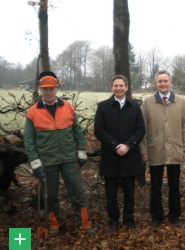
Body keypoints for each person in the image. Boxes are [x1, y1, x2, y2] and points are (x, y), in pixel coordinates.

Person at [25, 71, 94, 235]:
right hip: (47, 161)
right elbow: (29, 141)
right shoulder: (32, 112)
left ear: (57, 89)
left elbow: (77, 132)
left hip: (69, 159)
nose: (48, 92)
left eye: (51, 89)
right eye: (44, 89)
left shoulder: (68, 107)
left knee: (77, 191)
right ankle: (54, 225)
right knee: (51, 196)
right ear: (40, 90)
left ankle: (84, 223)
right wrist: (35, 164)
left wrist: (81, 152)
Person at [139, 70, 185, 227]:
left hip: (175, 148)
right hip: (154, 149)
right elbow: (143, 128)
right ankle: (157, 216)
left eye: (165, 81)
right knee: (155, 186)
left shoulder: (181, 102)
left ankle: (175, 216)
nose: (163, 84)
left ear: (170, 82)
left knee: (174, 186)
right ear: (156, 83)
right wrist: (144, 150)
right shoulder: (148, 103)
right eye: (160, 81)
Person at [94, 75, 145, 233]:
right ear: (112, 87)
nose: (118, 88)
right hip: (111, 157)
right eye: (115, 85)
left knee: (130, 192)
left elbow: (140, 130)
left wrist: (128, 145)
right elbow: (99, 130)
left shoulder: (135, 107)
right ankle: (113, 221)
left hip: (130, 157)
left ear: (126, 87)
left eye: (121, 85)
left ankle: (129, 220)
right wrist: (116, 145)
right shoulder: (103, 107)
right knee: (111, 193)